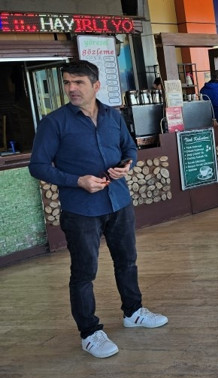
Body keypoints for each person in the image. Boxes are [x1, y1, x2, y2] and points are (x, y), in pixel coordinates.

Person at [28, 60, 167, 359]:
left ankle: (133, 312)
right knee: (84, 273)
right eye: (67, 83)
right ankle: (90, 332)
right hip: (80, 209)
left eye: (78, 82)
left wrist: (127, 164)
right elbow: (37, 166)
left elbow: (129, 147)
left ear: (96, 85)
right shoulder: (54, 122)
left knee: (127, 261)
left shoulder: (113, 116)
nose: (71, 88)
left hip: (118, 201)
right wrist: (77, 181)